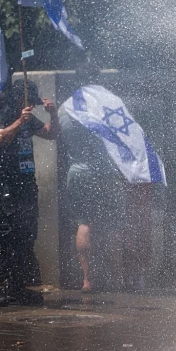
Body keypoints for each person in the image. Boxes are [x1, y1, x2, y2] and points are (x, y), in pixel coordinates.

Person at [0, 80, 59, 307]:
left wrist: (52, 115)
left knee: (26, 238)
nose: (31, 107)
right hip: (7, 187)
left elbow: (51, 133)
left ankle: (18, 286)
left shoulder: (29, 118)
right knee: (7, 239)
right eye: (28, 102)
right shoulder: (1, 113)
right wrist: (19, 122)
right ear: (18, 99)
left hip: (27, 186)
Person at [58, 67, 127, 293]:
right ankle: (118, 278)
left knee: (84, 223)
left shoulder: (64, 109)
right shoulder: (104, 106)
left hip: (77, 173)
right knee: (113, 226)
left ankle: (87, 280)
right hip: (105, 173)